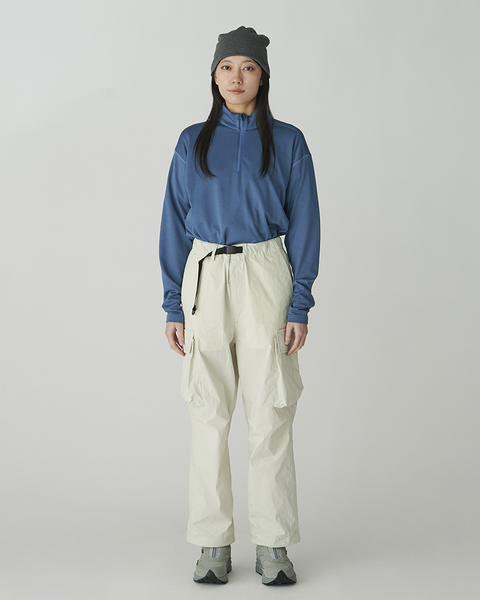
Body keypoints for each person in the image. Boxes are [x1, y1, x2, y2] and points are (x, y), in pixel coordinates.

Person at [158, 25, 321, 585]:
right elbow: (173, 223)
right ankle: (213, 542)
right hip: (206, 273)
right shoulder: (192, 141)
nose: (236, 77)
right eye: (227, 67)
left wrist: (299, 304)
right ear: (213, 75)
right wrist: (172, 305)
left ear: (263, 76)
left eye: (248, 67)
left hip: (264, 272)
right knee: (208, 411)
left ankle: (273, 543)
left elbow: (305, 221)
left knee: (271, 410)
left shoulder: (289, 141)